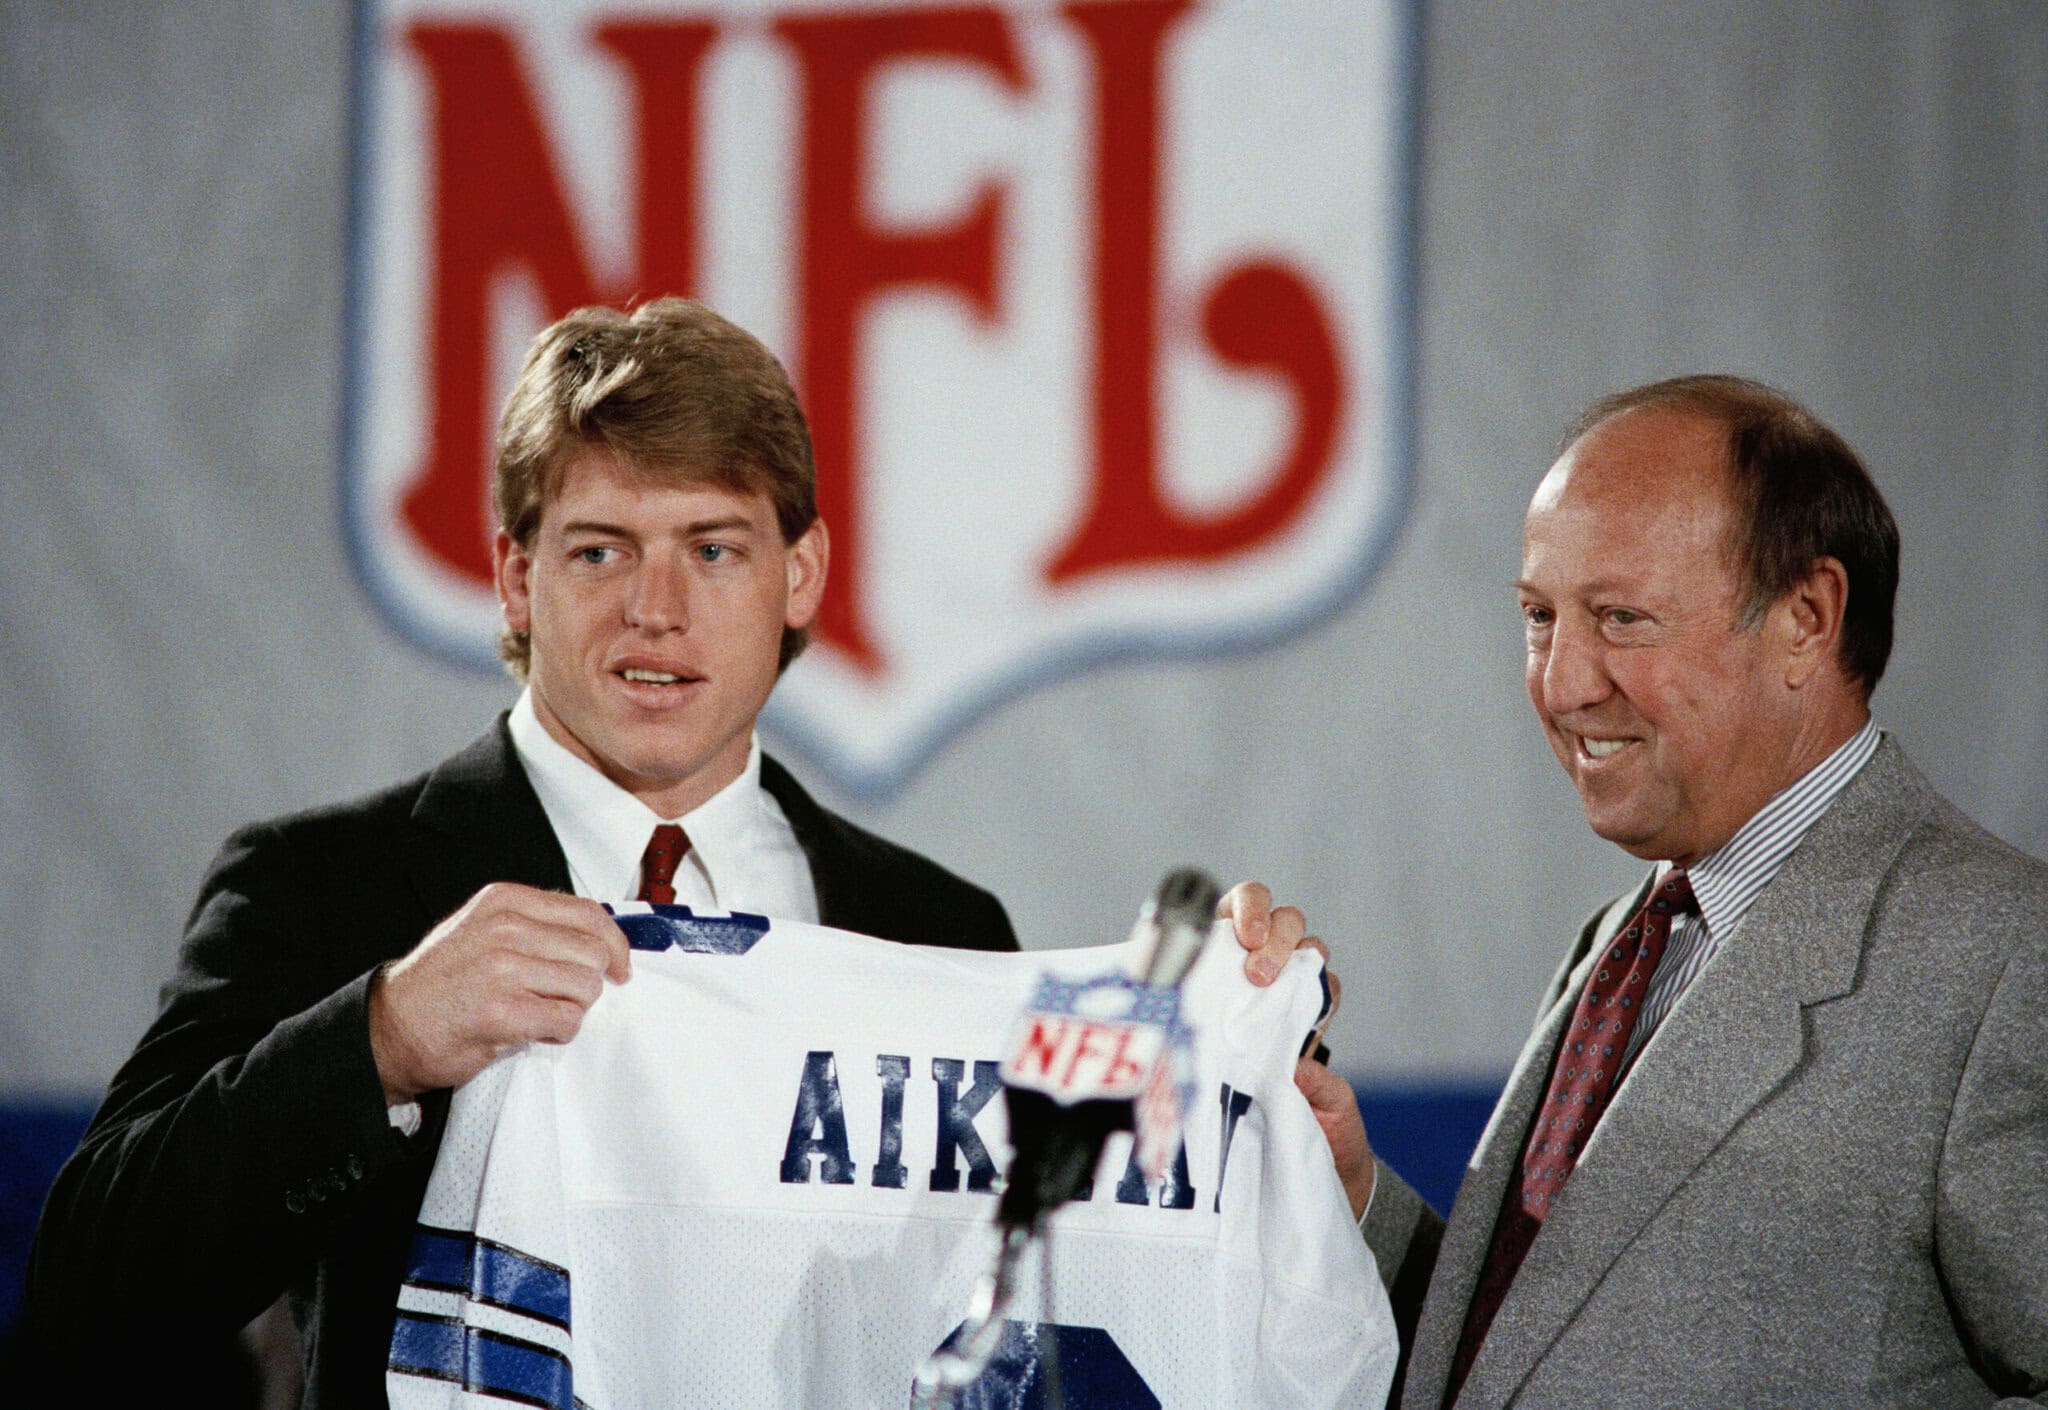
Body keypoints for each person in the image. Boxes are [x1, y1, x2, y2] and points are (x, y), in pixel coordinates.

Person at [19, 298, 1307, 1403]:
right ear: (514, 578)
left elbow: (1023, 1319)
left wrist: (1246, 1077)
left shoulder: (933, 928)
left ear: (799, 575)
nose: (656, 608)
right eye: (600, 551)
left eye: (713, 548)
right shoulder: (324, 889)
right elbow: (85, 1289)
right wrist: (386, 1037)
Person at [1245, 375, 2048, 1408]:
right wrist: (1347, 1189)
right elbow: (1537, 1356)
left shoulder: (2007, 959)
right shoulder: (1625, 940)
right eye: (1540, 616)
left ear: (1806, 619)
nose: (1561, 683)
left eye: (1620, 619)